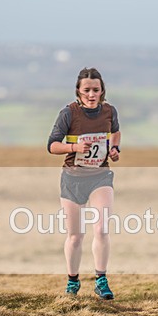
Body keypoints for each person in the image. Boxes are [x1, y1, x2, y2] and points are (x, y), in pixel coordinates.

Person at [48, 67, 121, 299]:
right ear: (78, 91)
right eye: (87, 90)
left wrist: (115, 148)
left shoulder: (110, 111)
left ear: (102, 91)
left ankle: (101, 280)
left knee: (101, 229)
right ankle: (73, 281)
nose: (92, 94)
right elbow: (51, 145)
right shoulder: (68, 113)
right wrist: (74, 148)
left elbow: (116, 133)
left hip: (100, 176)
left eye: (96, 90)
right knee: (76, 236)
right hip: (72, 179)